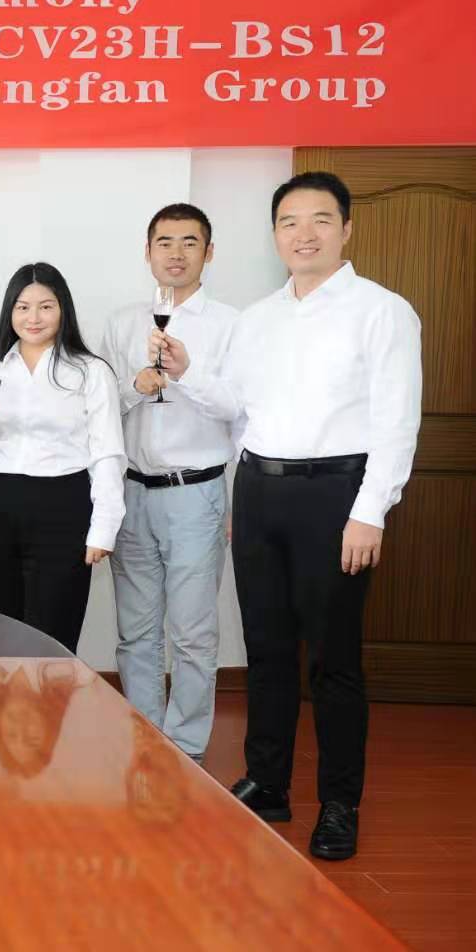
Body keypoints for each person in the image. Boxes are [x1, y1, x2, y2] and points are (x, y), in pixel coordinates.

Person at [156, 171, 421, 861]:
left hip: (337, 496)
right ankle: (268, 783)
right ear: (275, 235)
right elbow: (237, 407)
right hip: (260, 492)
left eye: (320, 220)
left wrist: (370, 512)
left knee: (333, 659)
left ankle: (339, 802)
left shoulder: (382, 311)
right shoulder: (259, 318)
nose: (304, 234)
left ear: (347, 229)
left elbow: (397, 423)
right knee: (267, 649)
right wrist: (187, 372)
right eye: (289, 222)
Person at [99, 203, 239, 764]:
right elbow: (100, 410)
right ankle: (145, 743)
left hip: (196, 493)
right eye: (165, 242)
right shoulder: (121, 323)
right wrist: (136, 385)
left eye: (189, 242)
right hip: (132, 490)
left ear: (209, 252)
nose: (176, 254)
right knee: (136, 632)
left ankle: (185, 752)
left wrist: (187, 374)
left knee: (193, 633)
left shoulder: (230, 325)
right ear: (148, 251)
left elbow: (238, 408)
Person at [0, 262, 124, 652]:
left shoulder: (89, 371)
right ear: (9, 312)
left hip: (63, 506)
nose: (33, 318)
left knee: (54, 634)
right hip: (0, 504)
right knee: (4, 628)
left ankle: (53, 695)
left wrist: (103, 529)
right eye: (23, 307)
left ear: (63, 309)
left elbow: (108, 454)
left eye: (45, 306)